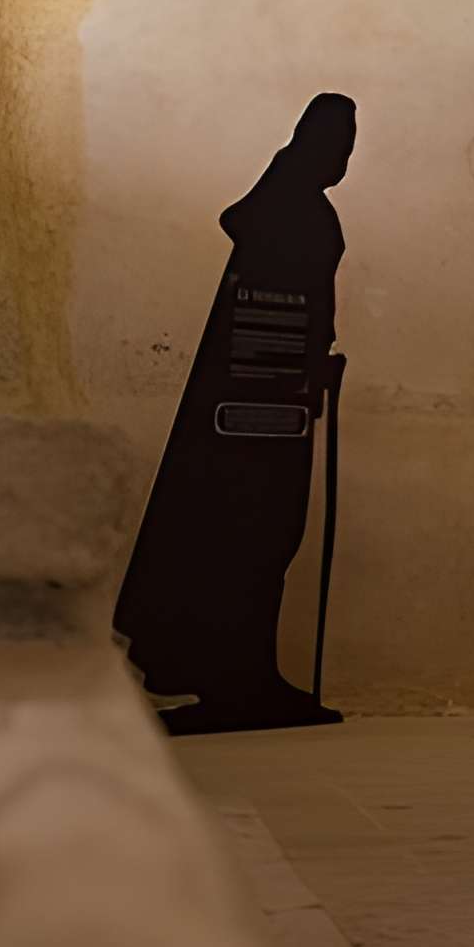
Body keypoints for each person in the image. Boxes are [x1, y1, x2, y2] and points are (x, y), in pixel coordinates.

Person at [114, 92, 355, 735]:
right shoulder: (291, 211)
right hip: (254, 413)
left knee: (271, 539)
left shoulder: (306, 210)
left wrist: (315, 363)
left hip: (279, 408)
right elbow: (270, 309)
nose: (345, 161)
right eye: (339, 147)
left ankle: (250, 673)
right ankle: (230, 677)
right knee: (245, 538)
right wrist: (306, 365)